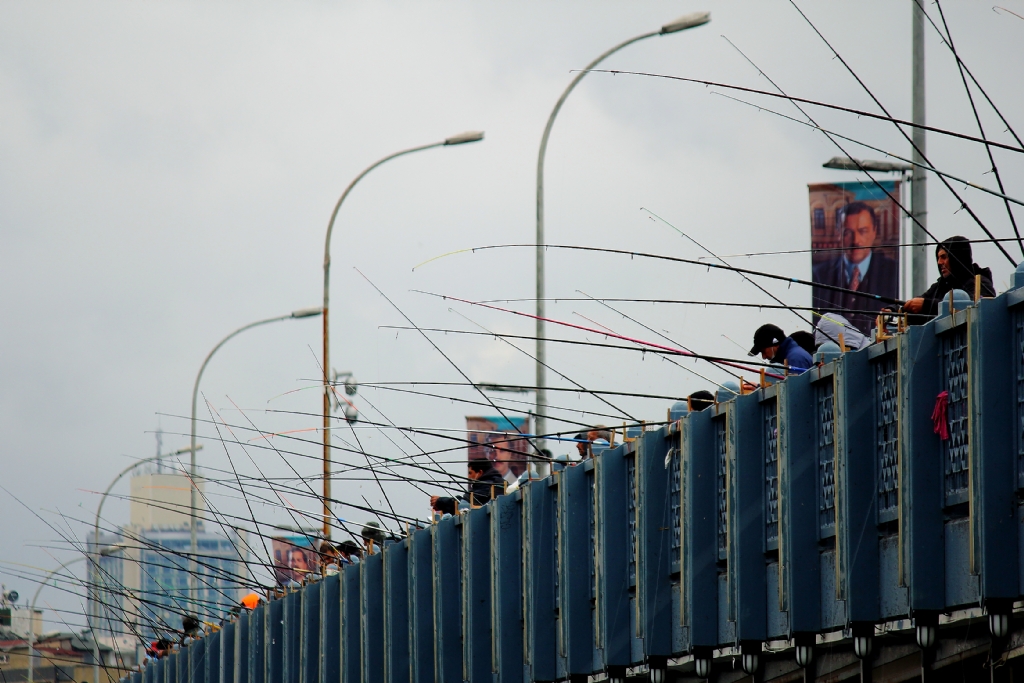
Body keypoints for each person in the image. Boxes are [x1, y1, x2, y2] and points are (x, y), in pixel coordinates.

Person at [812, 201, 899, 335]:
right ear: (838, 233)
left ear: (874, 232)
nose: (856, 240)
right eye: (848, 232)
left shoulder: (894, 272)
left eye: (862, 231)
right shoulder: (819, 275)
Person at [901, 236, 995, 321]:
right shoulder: (940, 286)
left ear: (957, 258)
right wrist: (894, 309)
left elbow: (973, 308)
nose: (939, 262)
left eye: (943, 257)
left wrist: (926, 305)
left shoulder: (980, 283)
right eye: (938, 258)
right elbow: (921, 299)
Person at [430, 459, 505, 514]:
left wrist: (440, 501)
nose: (468, 477)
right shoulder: (490, 483)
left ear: (480, 472)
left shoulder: (487, 485)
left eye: (470, 473)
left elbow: (465, 507)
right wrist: (441, 504)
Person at [749, 323, 813, 373]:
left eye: (763, 351)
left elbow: (797, 388)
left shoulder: (795, 359)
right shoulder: (790, 357)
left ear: (774, 344)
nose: (764, 357)